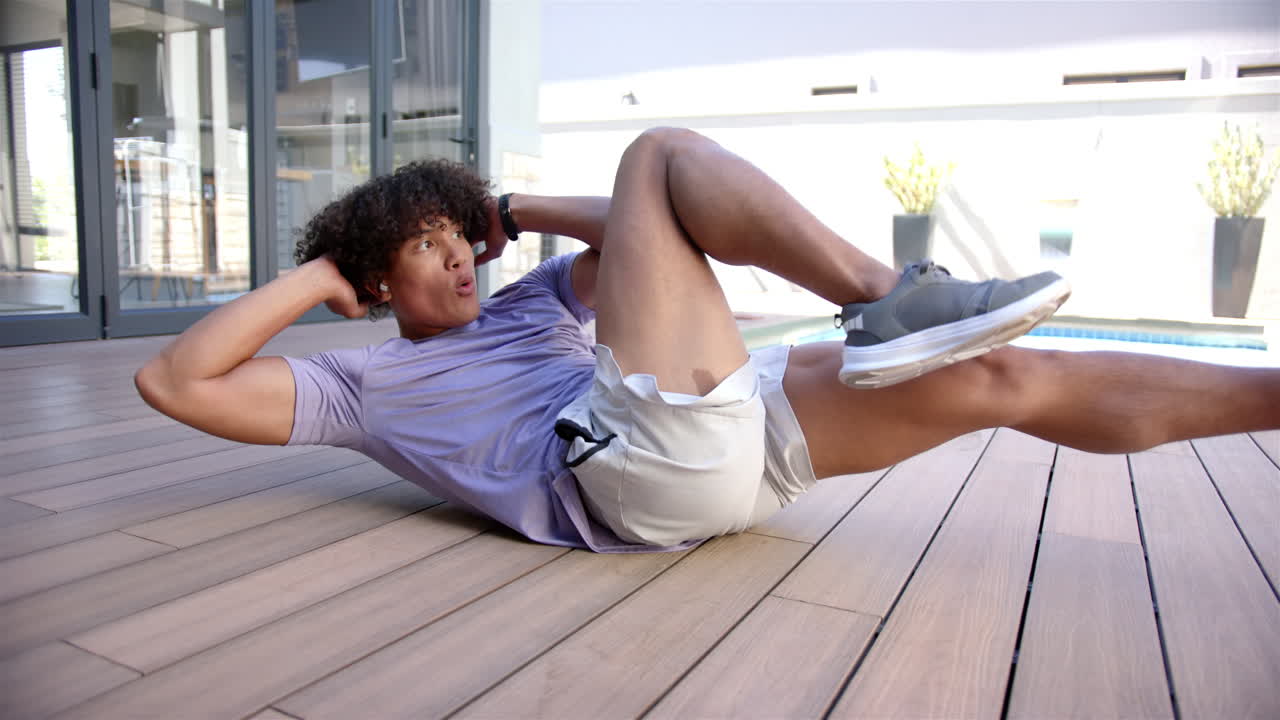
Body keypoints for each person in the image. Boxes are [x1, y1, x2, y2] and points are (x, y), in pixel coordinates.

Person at [135, 127, 1280, 552]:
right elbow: (174, 380)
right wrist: (321, 276)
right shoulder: (364, 386)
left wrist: (512, 214)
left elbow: (657, 233)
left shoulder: (533, 303)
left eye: (456, 239)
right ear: (379, 279)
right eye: (426, 248)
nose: (458, 258)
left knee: (1006, 377)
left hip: (726, 443)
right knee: (656, 151)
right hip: (627, 468)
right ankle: (888, 299)